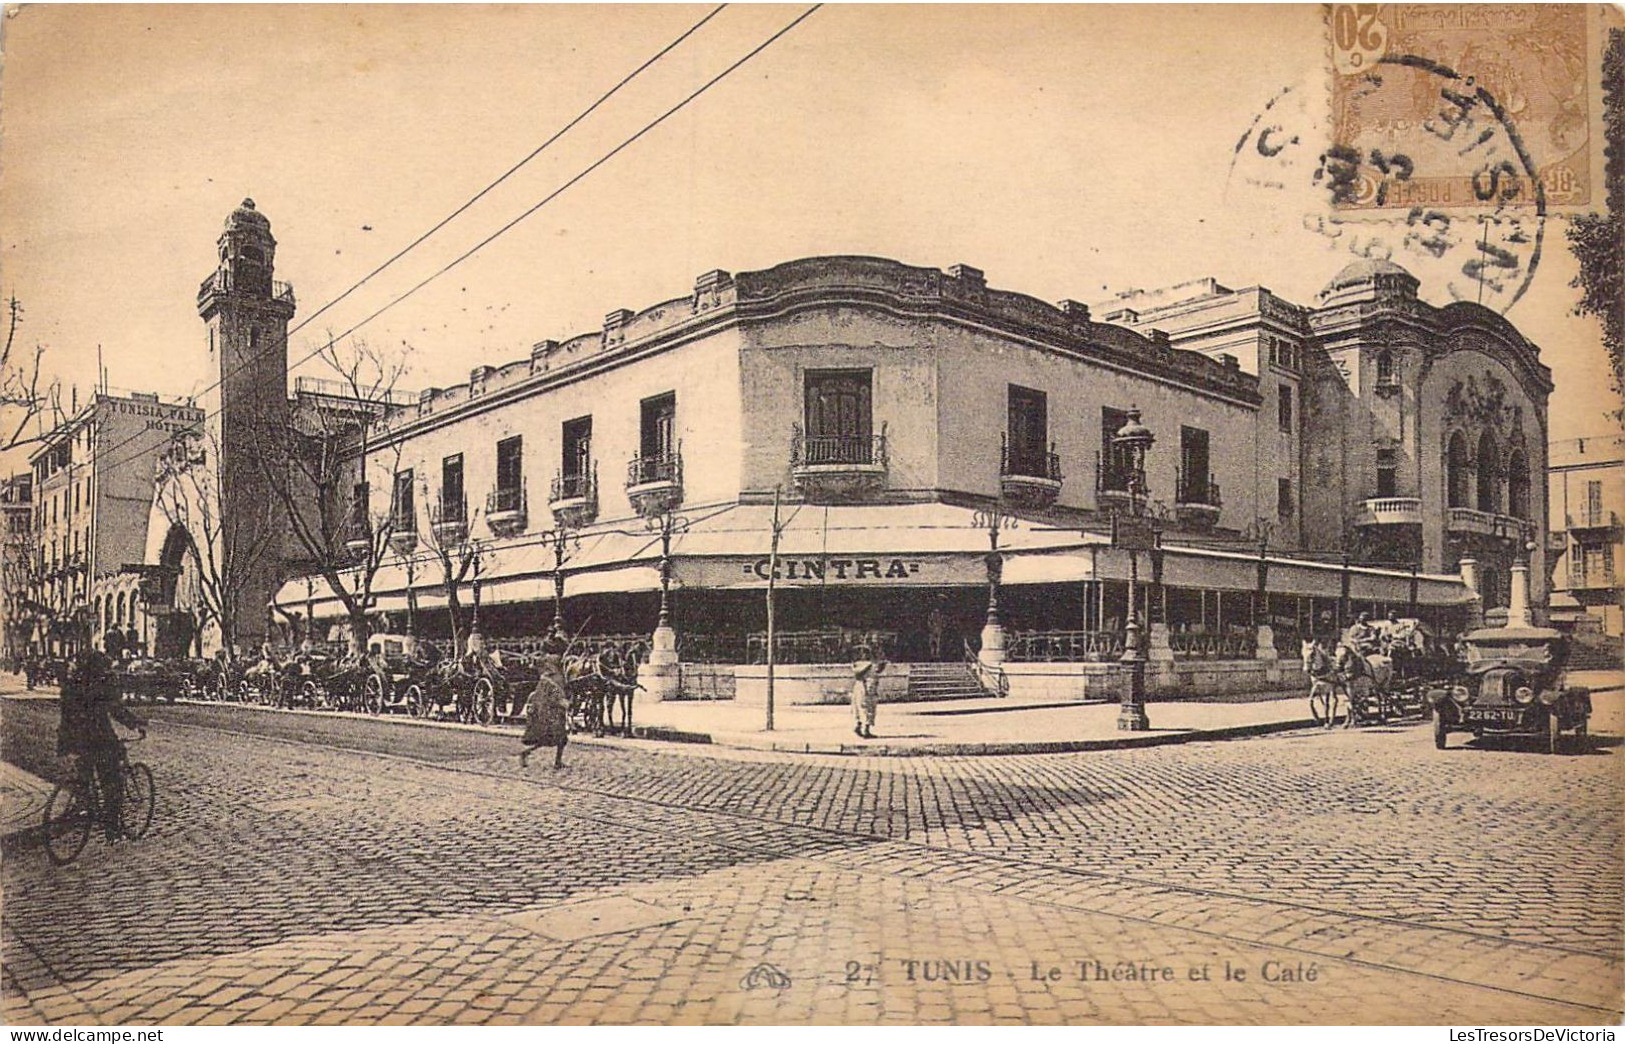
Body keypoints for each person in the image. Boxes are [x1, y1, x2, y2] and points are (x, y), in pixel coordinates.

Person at [57, 633, 146, 841]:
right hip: (100, 739)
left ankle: (83, 807)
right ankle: (112, 830)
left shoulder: (71, 686)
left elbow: (66, 717)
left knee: (84, 778)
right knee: (111, 782)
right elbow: (116, 710)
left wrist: (65, 744)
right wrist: (135, 724)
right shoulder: (101, 685)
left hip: (74, 740)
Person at [520, 634, 570, 769]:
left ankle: (556, 761)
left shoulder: (544, 665)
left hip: (549, 705)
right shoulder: (555, 662)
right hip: (551, 709)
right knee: (555, 736)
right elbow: (553, 691)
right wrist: (561, 701)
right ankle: (526, 753)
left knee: (559, 737)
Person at [851, 649, 886, 739]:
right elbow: (857, 674)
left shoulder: (871, 664)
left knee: (864, 707)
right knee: (865, 707)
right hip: (864, 685)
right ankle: (864, 729)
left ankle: (859, 727)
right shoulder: (864, 664)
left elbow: (879, 670)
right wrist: (869, 666)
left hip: (867, 685)